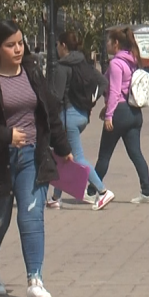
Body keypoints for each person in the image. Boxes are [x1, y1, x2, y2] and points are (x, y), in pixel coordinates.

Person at [0, 20, 72, 297]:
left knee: (31, 216)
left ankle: (35, 280)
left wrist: (63, 148)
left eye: (20, 43)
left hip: (32, 156)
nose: (18, 49)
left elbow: (49, 111)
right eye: (11, 45)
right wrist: (6, 135)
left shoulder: (32, 73)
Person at [46, 31, 112, 210]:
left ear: (64, 46)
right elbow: (103, 83)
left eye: (57, 45)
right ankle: (55, 197)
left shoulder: (62, 67)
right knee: (63, 156)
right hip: (83, 115)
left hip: (68, 118)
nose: (56, 48)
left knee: (78, 158)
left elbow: (56, 96)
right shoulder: (84, 63)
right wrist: (91, 101)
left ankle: (103, 191)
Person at [88, 27, 149, 205]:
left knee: (104, 156)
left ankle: (91, 190)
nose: (106, 44)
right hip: (134, 112)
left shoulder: (116, 64)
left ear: (116, 43)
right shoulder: (132, 60)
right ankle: (147, 192)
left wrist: (109, 115)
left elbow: (116, 91)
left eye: (108, 41)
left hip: (120, 112)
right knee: (135, 153)